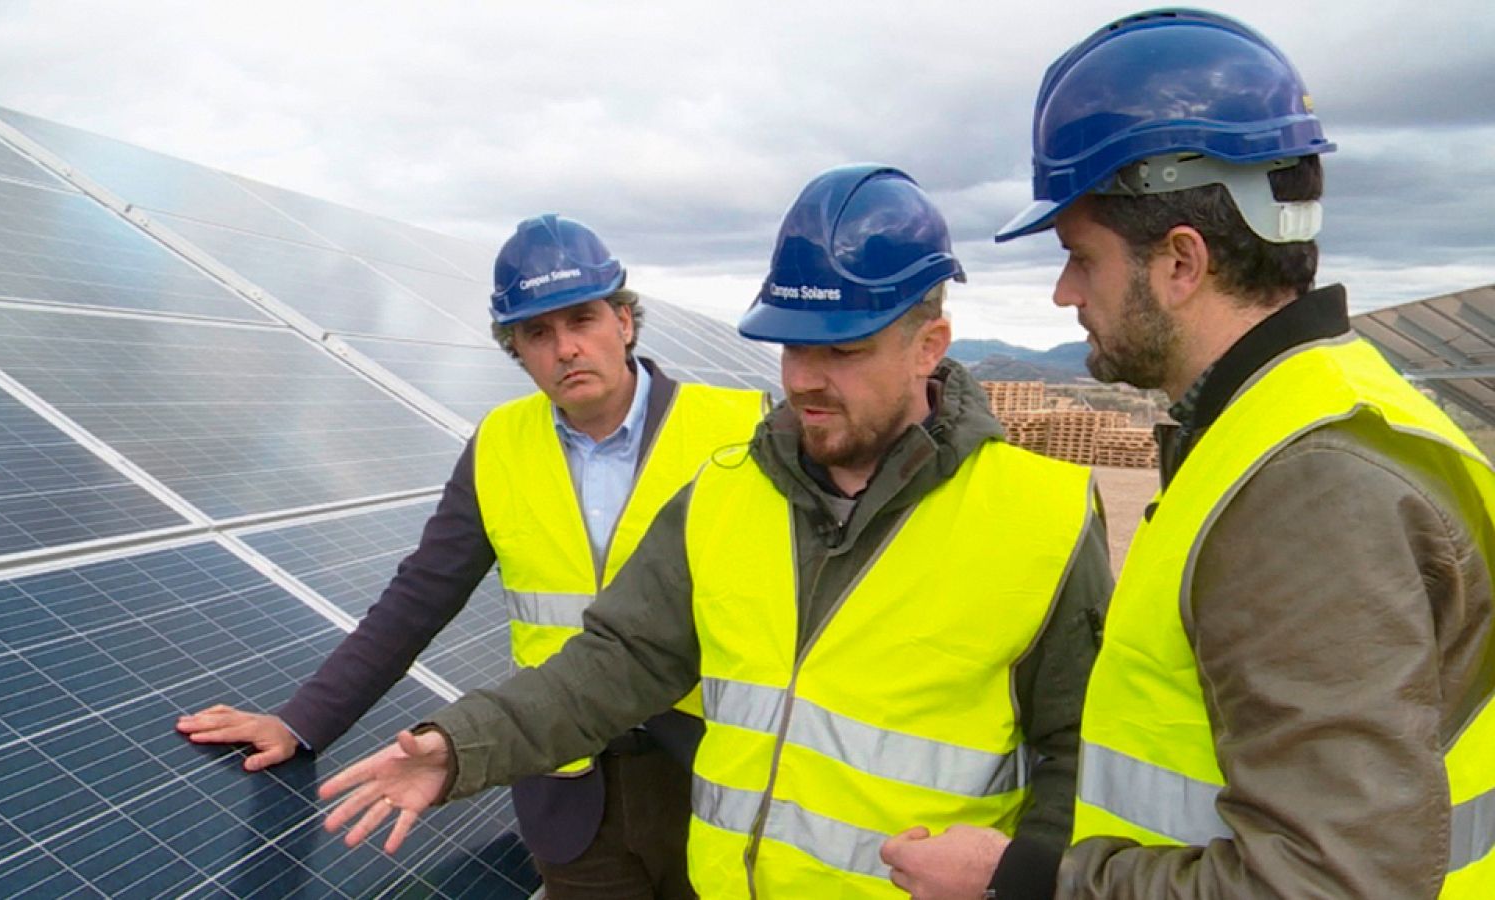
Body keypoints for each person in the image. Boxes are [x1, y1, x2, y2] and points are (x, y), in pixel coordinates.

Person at [315, 164, 1115, 899]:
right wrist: (459, 746)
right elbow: (610, 664)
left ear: (928, 347)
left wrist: (1023, 879)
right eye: (793, 347)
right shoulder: (725, 495)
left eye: (843, 349)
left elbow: (1086, 751)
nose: (805, 379)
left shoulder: (1040, 513)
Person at [915, 9, 1495, 898]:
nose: (1067, 292)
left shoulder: (1310, 493)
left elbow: (1329, 885)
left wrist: (1025, 881)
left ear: (1181, 262)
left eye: (1080, 256)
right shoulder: (1300, 421)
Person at [176, 214, 768, 899]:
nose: (566, 348)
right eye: (538, 333)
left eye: (582, 320)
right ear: (515, 348)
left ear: (624, 322)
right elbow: (418, 597)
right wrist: (301, 720)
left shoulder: (742, 428)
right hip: (568, 790)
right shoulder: (499, 445)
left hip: (713, 773)